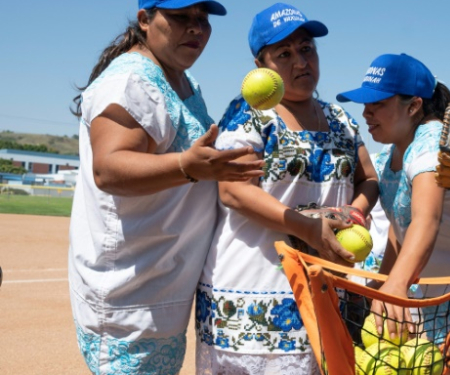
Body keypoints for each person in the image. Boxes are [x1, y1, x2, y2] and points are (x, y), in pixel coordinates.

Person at [68, 1, 265, 374]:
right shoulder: (129, 81)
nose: (196, 28)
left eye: (203, 19)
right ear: (145, 20)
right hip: (131, 297)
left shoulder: (183, 81)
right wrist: (186, 168)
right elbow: (109, 168)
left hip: (160, 291)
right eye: (180, 17)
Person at [194, 3, 379, 374]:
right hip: (254, 292)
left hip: (323, 289)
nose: (301, 62)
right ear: (261, 66)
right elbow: (232, 191)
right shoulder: (248, 113)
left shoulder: (339, 118)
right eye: (284, 53)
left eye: (307, 49)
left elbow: (368, 178)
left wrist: (352, 212)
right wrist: (304, 225)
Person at [337, 53, 450, 375]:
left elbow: (427, 219)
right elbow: (399, 230)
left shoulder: (431, 142)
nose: (366, 112)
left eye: (378, 103)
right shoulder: (386, 159)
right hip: (429, 287)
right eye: (365, 104)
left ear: (413, 107)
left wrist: (395, 287)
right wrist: (378, 289)